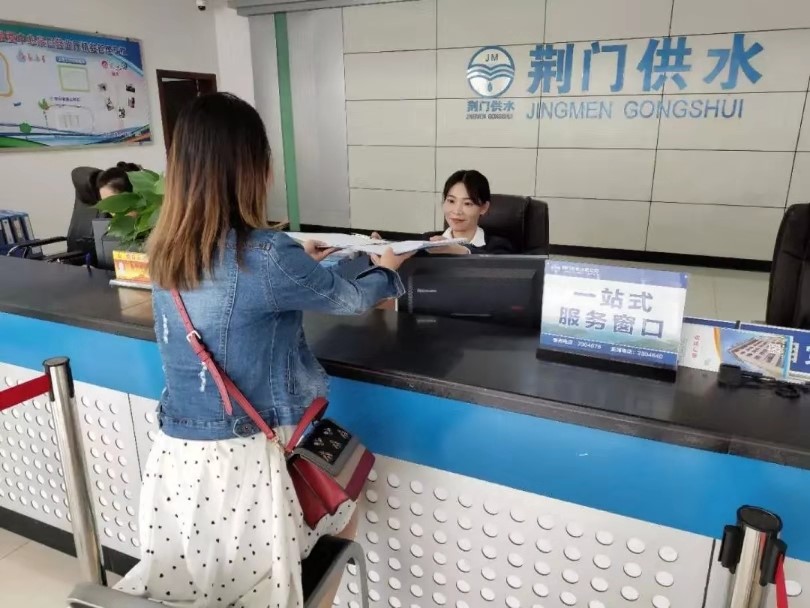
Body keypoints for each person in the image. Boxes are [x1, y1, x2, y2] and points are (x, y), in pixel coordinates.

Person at [115, 92, 411, 608]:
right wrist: (386, 269)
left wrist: (308, 260)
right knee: (340, 512)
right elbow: (349, 298)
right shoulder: (268, 255)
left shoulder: (163, 251)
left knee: (210, 591)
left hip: (177, 460)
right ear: (255, 169)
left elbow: (270, 286)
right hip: (247, 460)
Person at [372, 170, 514, 255]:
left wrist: (458, 250)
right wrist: (380, 248)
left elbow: (497, 267)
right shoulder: (427, 241)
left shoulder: (499, 246)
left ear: (483, 207)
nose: (457, 211)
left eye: (467, 203)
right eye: (451, 201)